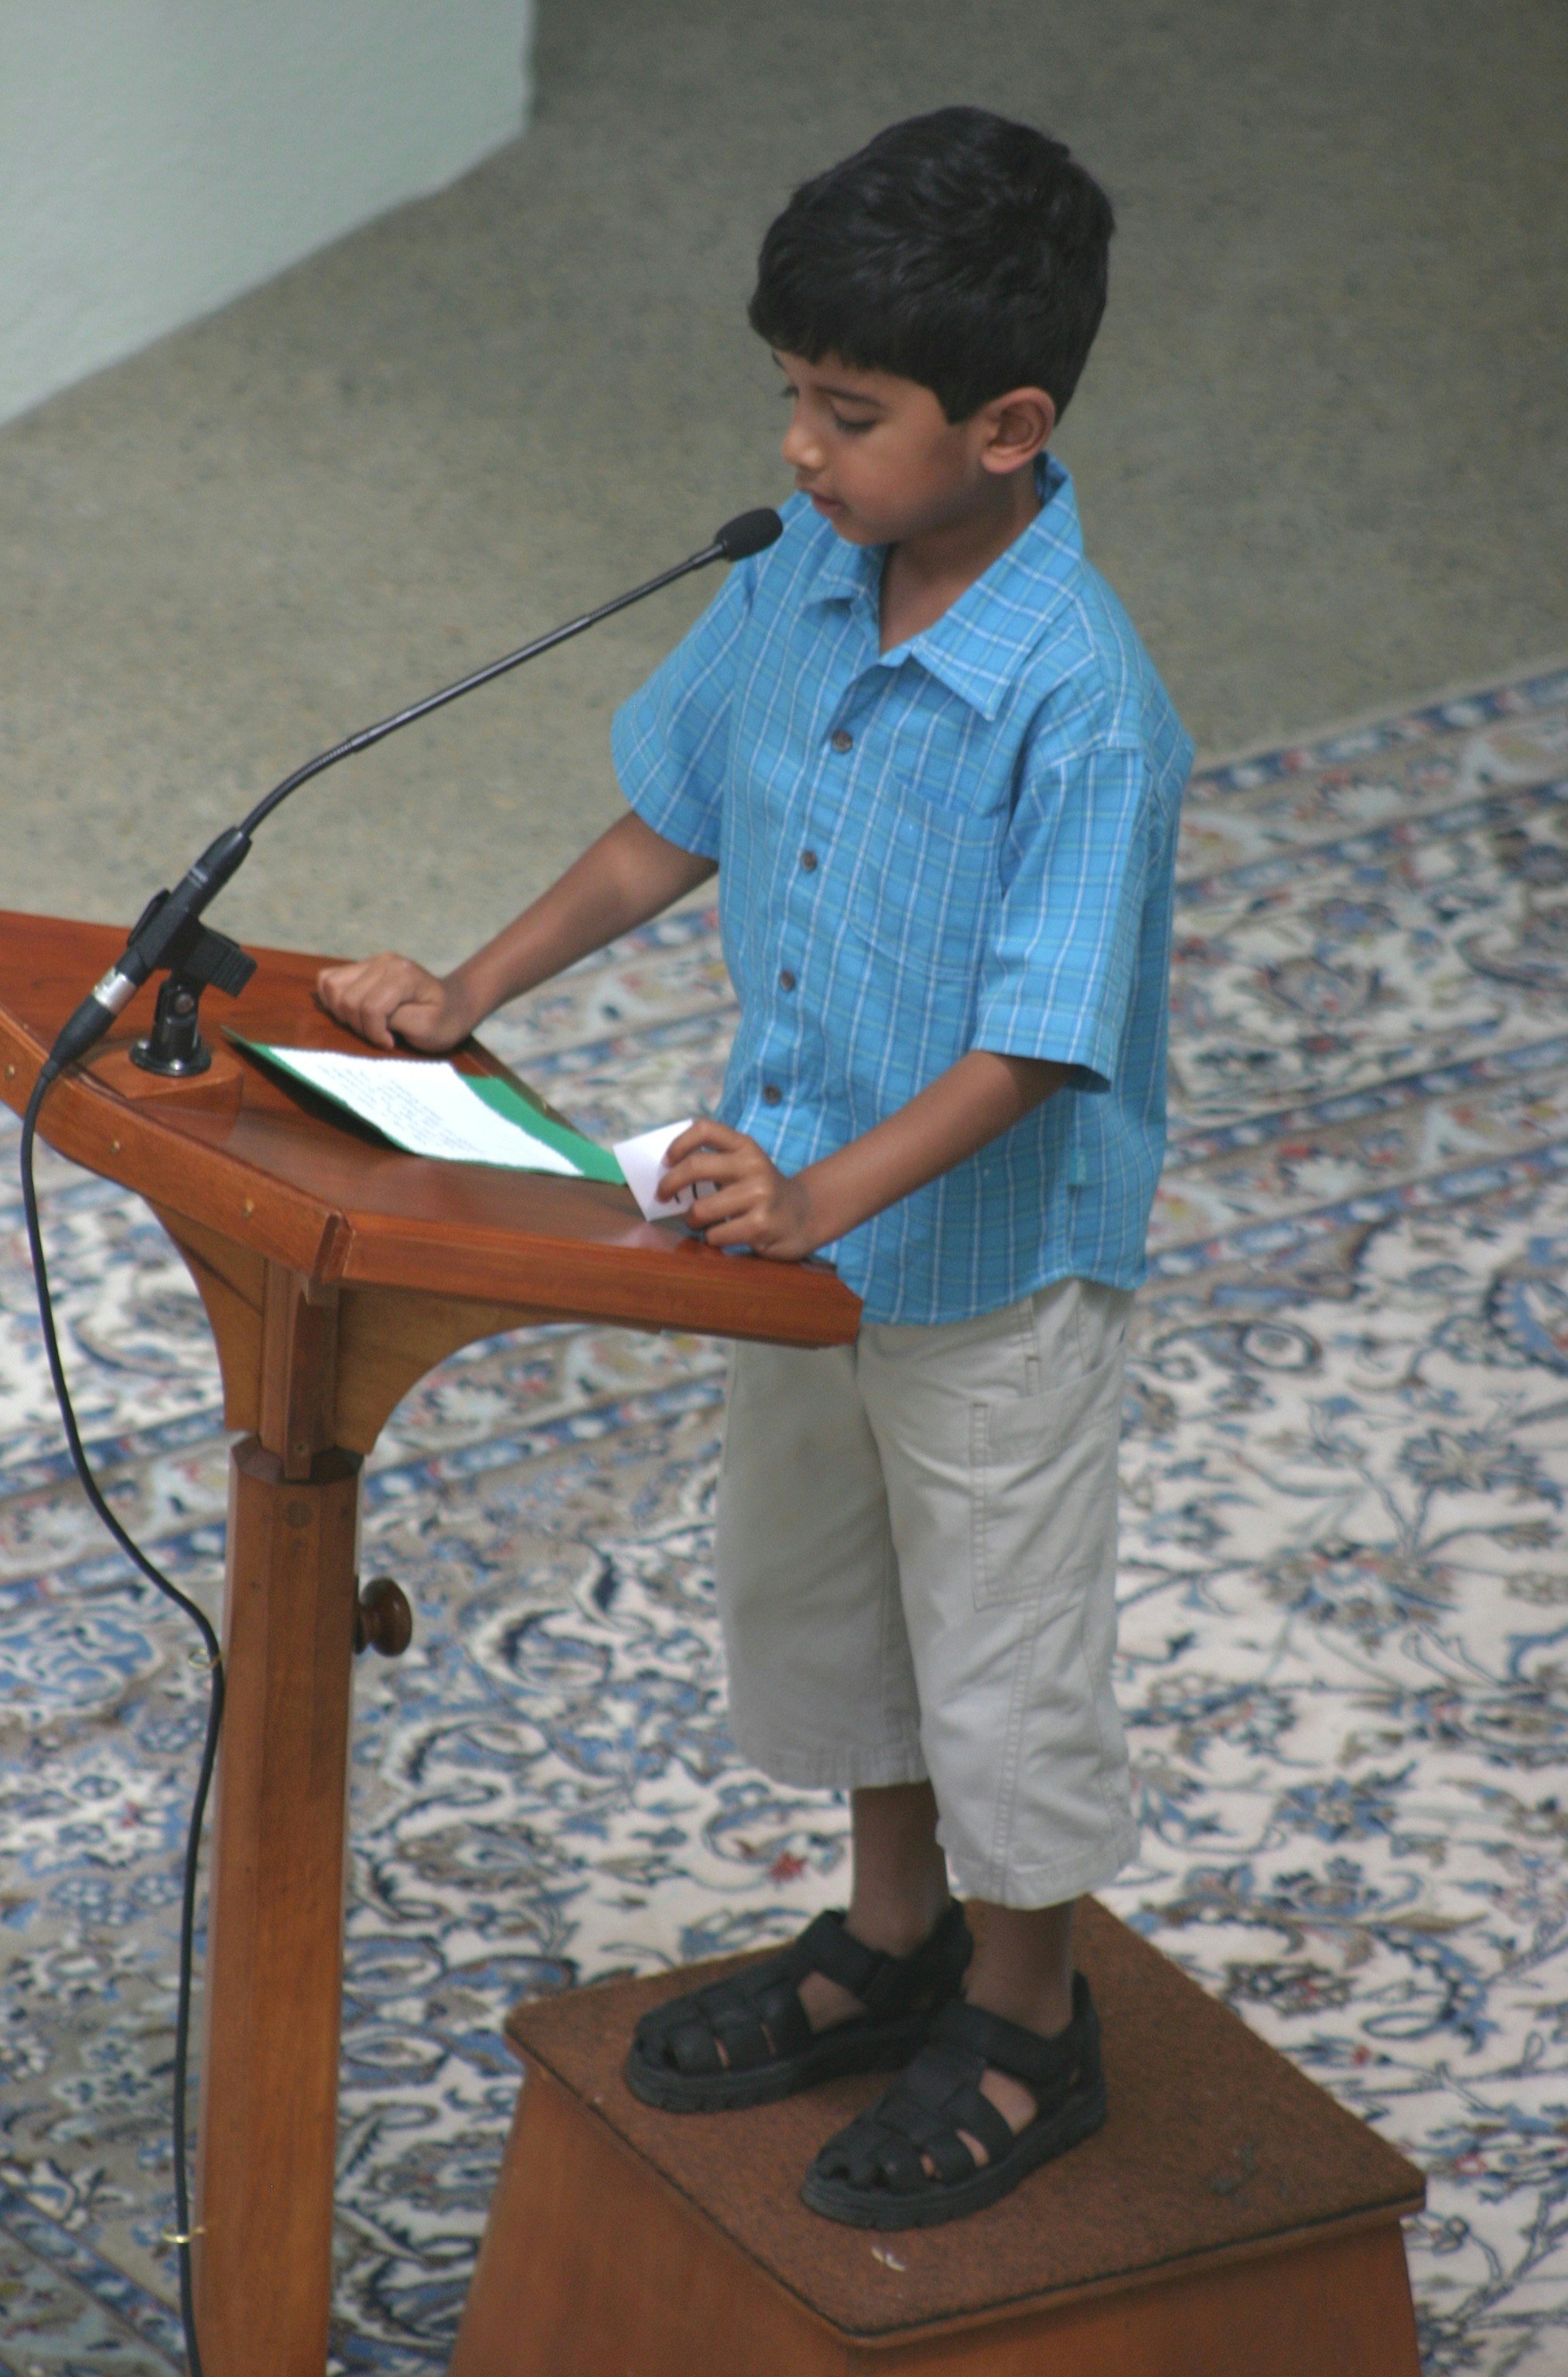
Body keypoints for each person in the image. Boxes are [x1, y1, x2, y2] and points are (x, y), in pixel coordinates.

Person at [318, 106, 1192, 2231]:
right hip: (781, 1215)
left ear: (1009, 425)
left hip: (975, 1258)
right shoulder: (806, 575)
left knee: (995, 1652)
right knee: (834, 1603)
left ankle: (1026, 2010)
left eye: (847, 410)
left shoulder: (1087, 707)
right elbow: (668, 815)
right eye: (792, 396)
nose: (800, 450)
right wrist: (473, 988)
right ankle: (891, 1945)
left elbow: (1035, 1044)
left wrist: (827, 1201)